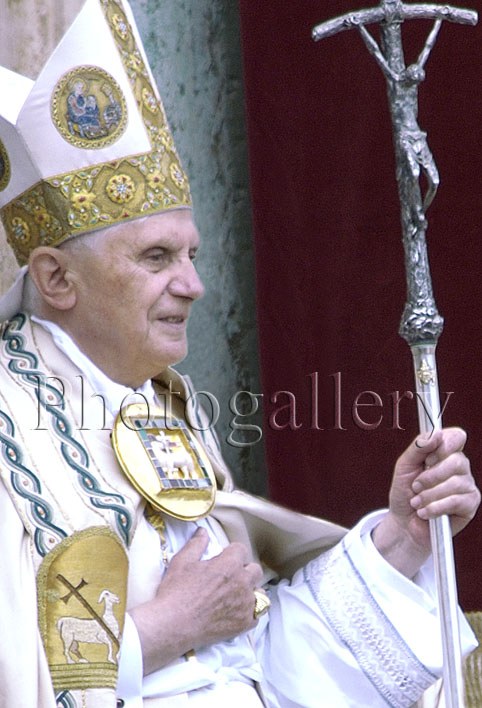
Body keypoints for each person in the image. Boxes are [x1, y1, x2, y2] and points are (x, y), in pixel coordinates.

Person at [0, 1, 478, 707]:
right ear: (56, 278)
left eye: (191, 254)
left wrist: (402, 539)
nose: (192, 285)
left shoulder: (166, 408)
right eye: (156, 257)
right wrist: (164, 628)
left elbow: (250, 663)